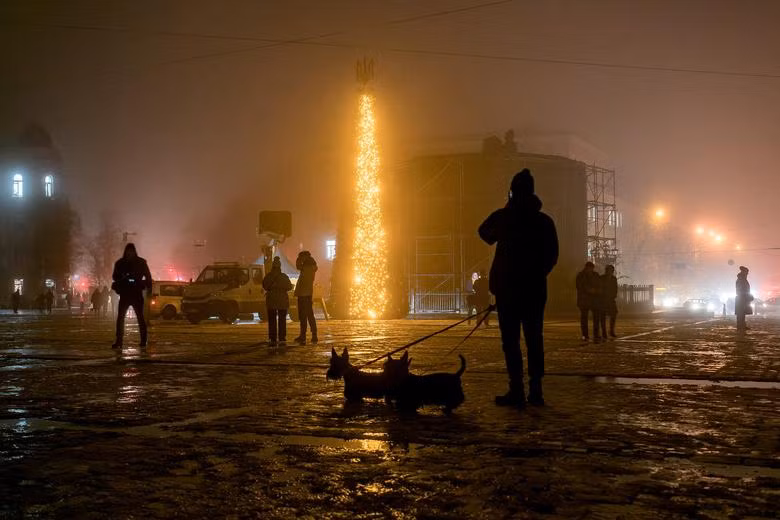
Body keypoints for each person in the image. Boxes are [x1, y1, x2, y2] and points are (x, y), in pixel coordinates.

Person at [478, 168, 559, 407]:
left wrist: (506, 211)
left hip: (508, 290)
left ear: (512, 192)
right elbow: (552, 256)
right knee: (535, 339)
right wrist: (535, 274)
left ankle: (516, 389)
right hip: (534, 290)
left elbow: (483, 232)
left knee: (510, 342)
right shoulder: (544, 221)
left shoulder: (505, 217)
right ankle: (536, 390)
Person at [111, 243, 153, 348]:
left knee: (139, 317)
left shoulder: (125, 263)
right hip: (127, 293)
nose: (130, 253)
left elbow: (148, 277)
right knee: (122, 318)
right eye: (128, 251)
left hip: (134, 293)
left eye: (131, 251)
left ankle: (142, 340)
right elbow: (115, 277)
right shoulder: (125, 263)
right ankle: (119, 340)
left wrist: (148, 290)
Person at [262, 256, 293, 346]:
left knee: (272, 320)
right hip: (282, 301)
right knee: (282, 320)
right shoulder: (284, 277)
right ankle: (282, 337)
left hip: (271, 301)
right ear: (280, 267)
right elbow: (289, 287)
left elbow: (264, 285)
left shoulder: (268, 276)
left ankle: (272, 338)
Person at [293, 251, 319, 344]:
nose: (300, 259)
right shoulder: (310, 266)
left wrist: (298, 260)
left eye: (301, 257)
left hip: (304, 294)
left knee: (304, 316)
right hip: (307, 294)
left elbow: (298, 266)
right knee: (309, 315)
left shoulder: (306, 267)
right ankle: (312, 334)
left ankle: (304, 335)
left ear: (305, 257)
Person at [576, 262, 602, 342]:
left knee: (596, 318)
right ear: (586, 267)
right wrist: (589, 290)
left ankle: (596, 334)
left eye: (591, 268)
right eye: (589, 268)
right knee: (584, 318)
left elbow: (600, 284)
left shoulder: (595, 275)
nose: (590, 270)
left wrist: (596, 290)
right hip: (584, 300)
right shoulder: (581, 275)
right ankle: (585, 334)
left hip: (594, 299)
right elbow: (579, 286)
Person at [599, 265, 618, 339]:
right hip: (603, 300)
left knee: (614, 314)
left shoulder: (613, 279)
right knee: (603, 316)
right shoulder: (601, 278)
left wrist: (613, 295)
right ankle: (604, 332)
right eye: (609, 270)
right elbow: (600, 287)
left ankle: (611, 330)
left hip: (611, 299)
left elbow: (615, 288)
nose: (610, 272)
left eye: (611, 270)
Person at [735, 266, 752, 332]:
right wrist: (747, 296)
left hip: (743, 298)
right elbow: (741, 290)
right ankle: (740, 326)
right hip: (741, 298)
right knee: (741, 313)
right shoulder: (741, 280)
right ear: (744, 272)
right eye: (747, 272)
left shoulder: (742, 279)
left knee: (742, 313)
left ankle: (742, 325)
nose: (747, 274)